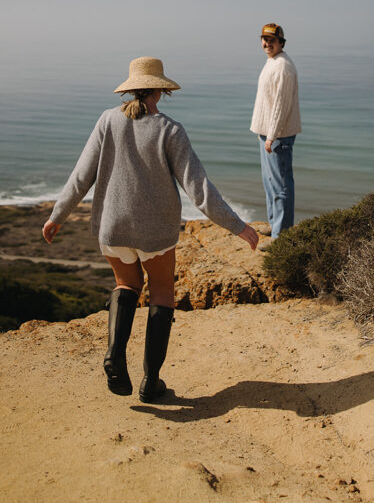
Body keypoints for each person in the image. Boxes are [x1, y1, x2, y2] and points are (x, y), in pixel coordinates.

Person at [42, 56, 258, 403]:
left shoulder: (107, 120)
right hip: (155, 231)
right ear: (160, 89)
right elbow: (198, 189)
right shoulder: (170, 130)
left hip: (113, 228)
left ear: (130, 89)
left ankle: (115, 354)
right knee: (160, 292)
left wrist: (57, 216)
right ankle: (150, 382)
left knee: (126, 285)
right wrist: (238, 226)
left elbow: (82, 175)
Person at [250, 23, 301, 244]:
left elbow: (281, 104)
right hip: (268, 133)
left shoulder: (283, 67)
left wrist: (272, 136)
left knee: (280, 188)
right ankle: (275, 226)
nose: (267, 43)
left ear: (281, 42)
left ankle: (282, 239)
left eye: (272, 40)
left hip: (277, 135)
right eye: (264, 39)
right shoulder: (272, 62)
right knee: (270, 184)